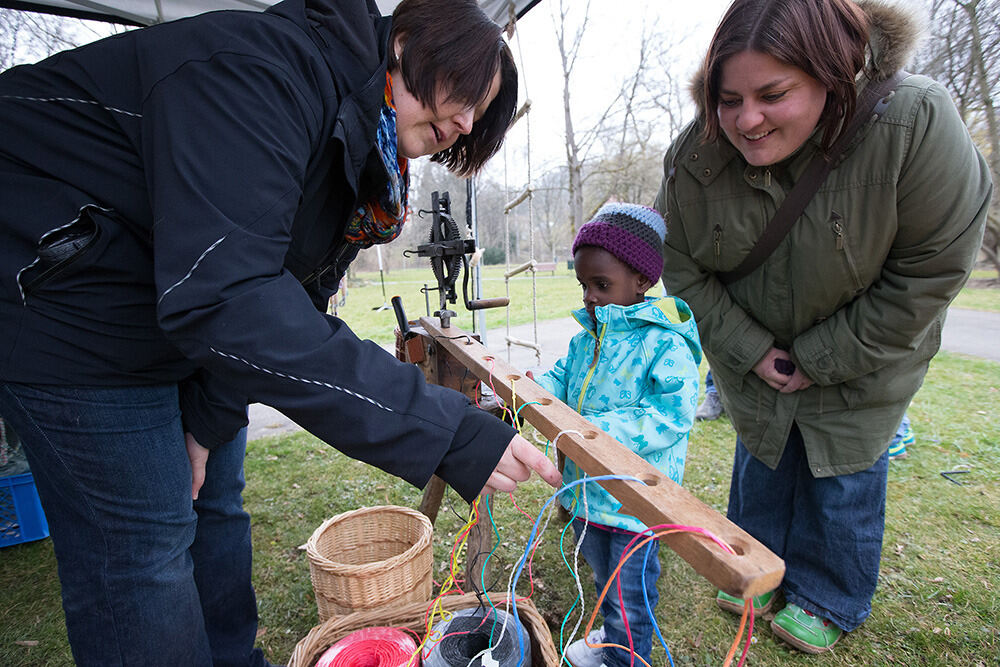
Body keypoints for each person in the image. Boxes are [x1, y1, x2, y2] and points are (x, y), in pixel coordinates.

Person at [0, 0, 560, 664]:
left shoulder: (364, 160)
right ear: (407, 41)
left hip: (164, 305)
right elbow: (233, 299)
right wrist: (452, 431)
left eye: (480, 113)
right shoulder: (261, 77)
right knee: (143, 547)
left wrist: (206, 422)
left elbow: (287, 292)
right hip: (60, 289)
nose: (466, 121)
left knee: (214, 510)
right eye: (464, 91)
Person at [655, 0, 991, 654]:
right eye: (729, 99)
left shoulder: (915, 122)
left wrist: (820, 355)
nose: (746, 120)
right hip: (753, 366)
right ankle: (754, 562)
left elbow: (931, 271)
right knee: (762, 463)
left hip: (864, 362)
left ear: (834, 75)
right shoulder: (696, 153)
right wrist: (753, 353)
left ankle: (828, 592)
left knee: (842, 478)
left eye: (773, 94)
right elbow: (682, 268)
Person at [530, 204, 702, 667]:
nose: (590, 296)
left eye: (601, 285)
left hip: (635, 502)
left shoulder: (664, 342)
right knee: (602, 572)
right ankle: (611, 636)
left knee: (629, 594)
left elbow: (670, 415)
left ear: (642, 281)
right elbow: (562, 378)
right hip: (587, 493)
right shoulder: (587, 337)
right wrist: (528, 389)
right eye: (584, 285)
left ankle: (626, 656)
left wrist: (592, 434)